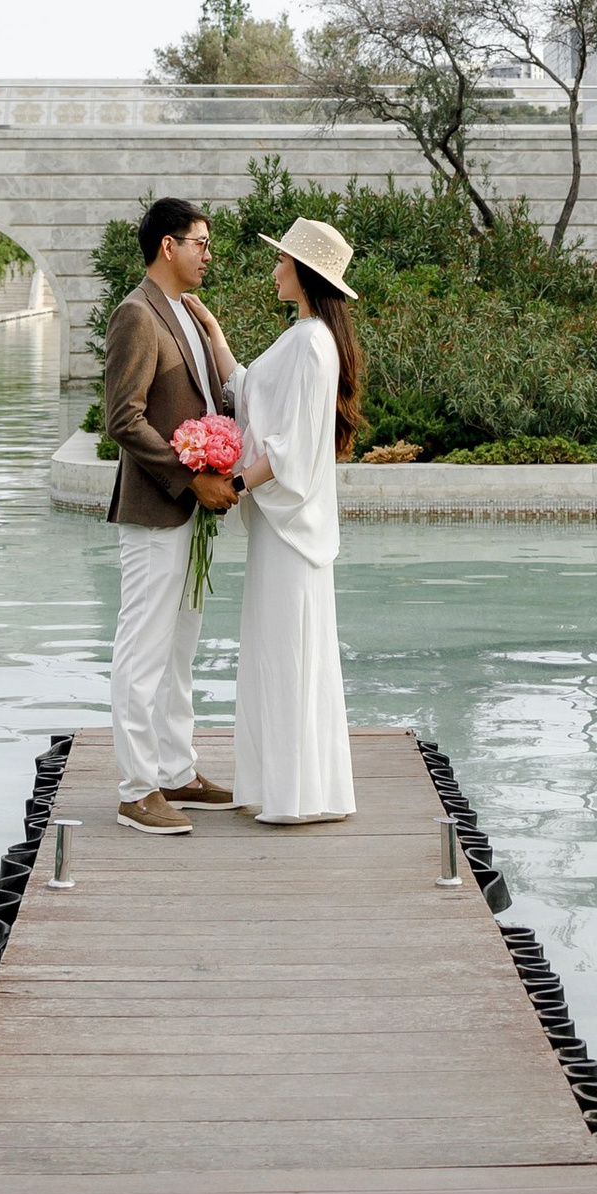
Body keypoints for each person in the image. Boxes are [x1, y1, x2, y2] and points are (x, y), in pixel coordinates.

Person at [100, 195, 244, 835]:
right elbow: (122, 419)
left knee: (180, 648)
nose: (208, 255)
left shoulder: (186, 312)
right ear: (169, 245)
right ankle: (136, 790)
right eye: (201, 243)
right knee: (143, 650)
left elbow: (212, 398)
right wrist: (191, 476)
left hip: (190, 512)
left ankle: (177, 771)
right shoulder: (136, 315)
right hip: (156, 508)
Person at [231, 216, 359, 828]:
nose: (275, 267)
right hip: (281, 530)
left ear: (303, 272)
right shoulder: (306, 335)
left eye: (282, 259)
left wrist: (233, 482)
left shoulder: (311, 342)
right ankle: (295, 786)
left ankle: (296, 793)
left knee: (287, 649)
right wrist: (211, 333)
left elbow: (293, 447)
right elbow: (254, 393)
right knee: (280, 648)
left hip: (290, 532)